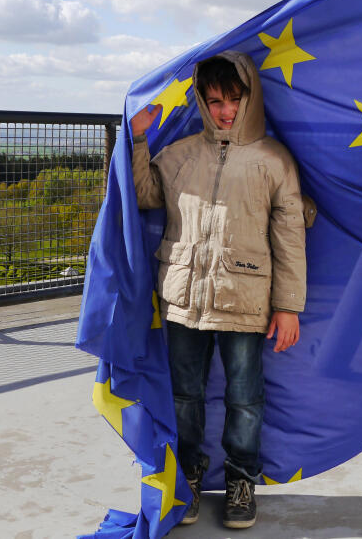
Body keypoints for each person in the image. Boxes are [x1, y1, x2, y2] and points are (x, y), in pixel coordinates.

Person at [130, 51, 307, 529]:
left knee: (245, 399)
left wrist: (288, 307)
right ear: (203, 103)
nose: (225, 110)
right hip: (184, 299)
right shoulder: (182, 153)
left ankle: (241, 479)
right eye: (214, 101)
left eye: (234, 99)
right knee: (184, 395)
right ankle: (187, 478)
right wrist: (139, 137)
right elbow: (145, 195)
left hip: (246, 301)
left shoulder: (273, 160)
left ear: (249, 98)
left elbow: (290, 236)